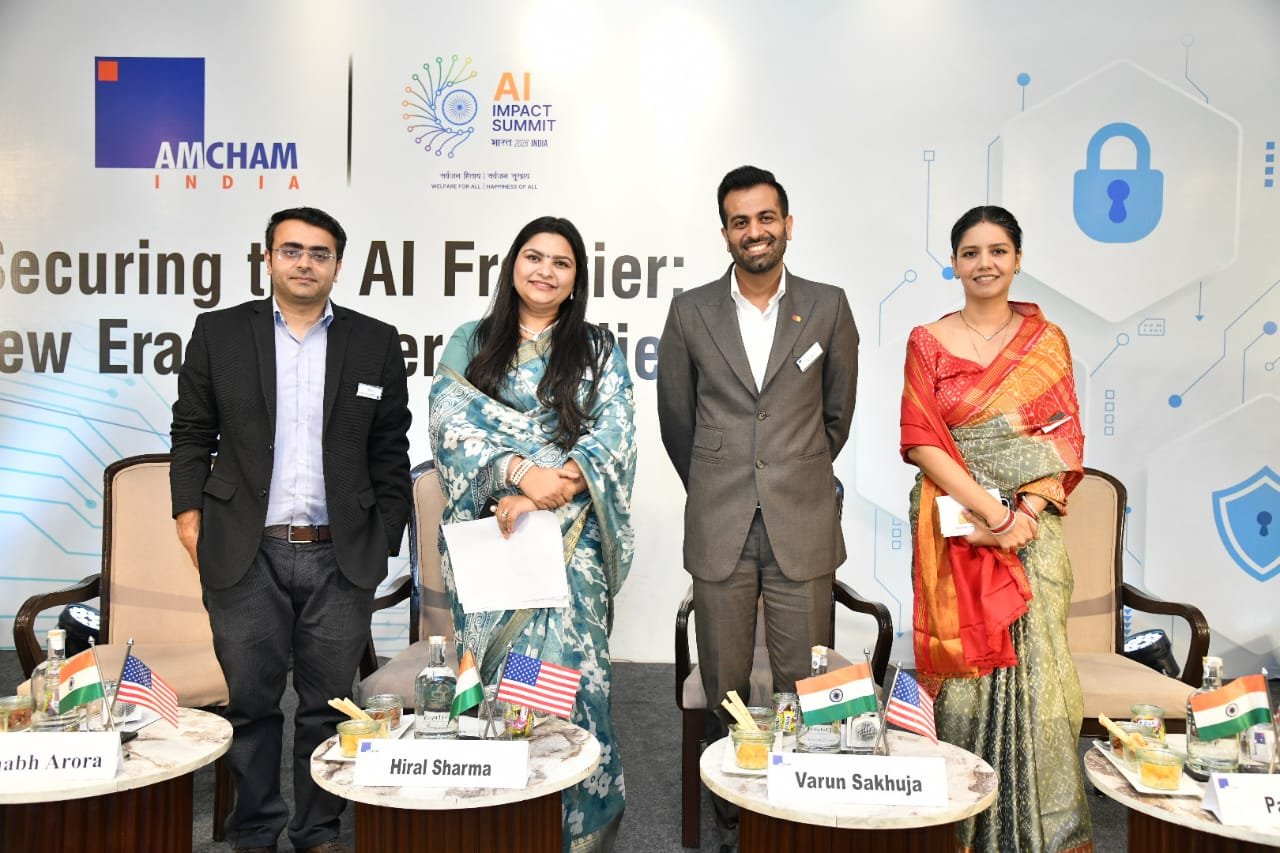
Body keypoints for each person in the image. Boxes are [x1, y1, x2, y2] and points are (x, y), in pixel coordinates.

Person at [170, 207, 412, 853]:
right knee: (250, 704)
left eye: (320, 253)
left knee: (329, 704)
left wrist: (384, 535)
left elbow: (390, 448)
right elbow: (192, 432)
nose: (306, 262)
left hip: (341, 553)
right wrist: (189, 516)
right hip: (245, 548)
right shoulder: (220, 332)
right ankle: (254, 830)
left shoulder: (375, 340)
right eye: (292, 250)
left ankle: (317, 830)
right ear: (268, 258)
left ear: (338, 265)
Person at [428, 216, 636, 851]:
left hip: (571, 540)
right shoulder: (471, 341)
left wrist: (555, 486)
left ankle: (572, 826)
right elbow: (449, 427)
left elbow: (616, 432)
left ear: (576, 279)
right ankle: (498, 819)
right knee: (496, 682)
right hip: (495, 537)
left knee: (571, 679)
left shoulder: (596, 349)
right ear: (513, 265)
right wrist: (519, 473)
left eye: (561, 262)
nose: (546, 270)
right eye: (534, 257)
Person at [900, 205, 1093, 852]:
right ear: (954, 264)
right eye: (971, 252)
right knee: (962, 685)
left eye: (998, 250)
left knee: (1043, 685)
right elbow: (921, 440)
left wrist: (1024, 516)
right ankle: (958, 832)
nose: (985, 263)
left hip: (1032, 537)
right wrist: (993, 514)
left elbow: (1063, 441)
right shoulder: (927, 340)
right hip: (956, 528)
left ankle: (1043, 836)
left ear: (1017, 259)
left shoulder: (1047, 343)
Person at [657, 165, 859, 742]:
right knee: (725, 683)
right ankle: (730, 785)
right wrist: (720, 476)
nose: (754, 231)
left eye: (766, 218)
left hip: (802, 521)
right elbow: (677, 420)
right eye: (740, 221)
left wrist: (793, 467)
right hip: (720, 521)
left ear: (788, 224)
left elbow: (837, 414)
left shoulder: (828, 307)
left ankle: (798, 787)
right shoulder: (691, 312)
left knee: (807, 683)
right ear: (725, 233)